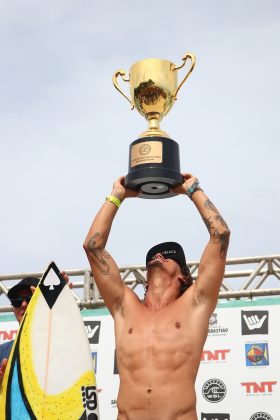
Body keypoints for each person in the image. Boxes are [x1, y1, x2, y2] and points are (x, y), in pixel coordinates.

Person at [83, 173, 230, 420]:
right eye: (153, 255)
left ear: (184, 276)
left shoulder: (196, 304)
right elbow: (93, 246)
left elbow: (220, 234)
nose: (158, 257)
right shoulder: (125, 307)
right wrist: (117, 197)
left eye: (168, 255)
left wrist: (192, 189)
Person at [0, 272, 70, 387]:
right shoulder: (2, 351)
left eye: (30, 298)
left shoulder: (60, 345)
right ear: (13, 309)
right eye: (17, 300)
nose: (23, 304)